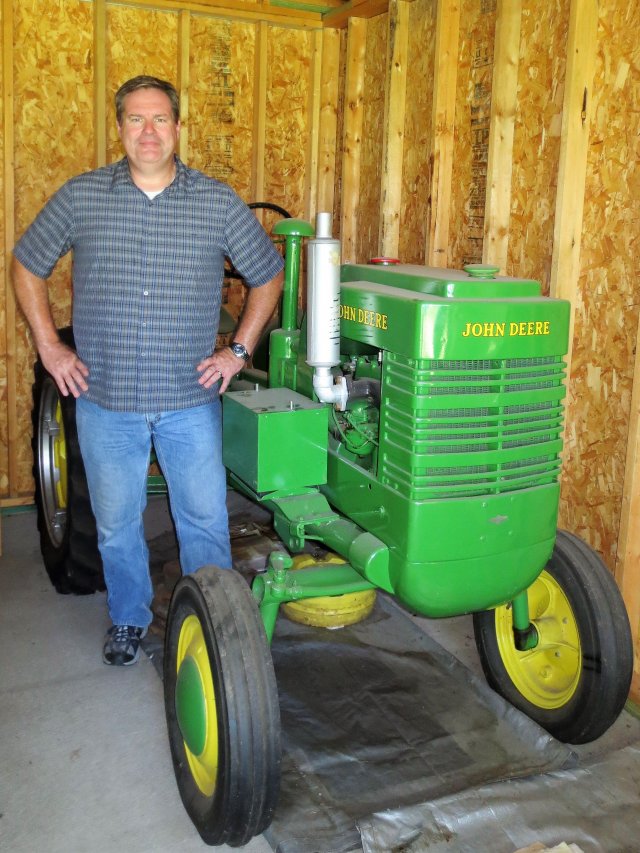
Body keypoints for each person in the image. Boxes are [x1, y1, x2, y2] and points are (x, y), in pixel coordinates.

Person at [12, 75, 284, 666]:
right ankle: (130, 618)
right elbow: (27, 263)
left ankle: (213, 626)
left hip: (189, 398)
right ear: (120, 129)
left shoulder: (214, 202)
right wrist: (50, 348)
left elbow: (268, 272)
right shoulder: (83, 197)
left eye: (160, 119)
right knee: (114, 524)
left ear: (178, 127)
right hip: (106, 398)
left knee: (204, 521)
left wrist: (237, 350)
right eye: (136, 120)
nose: (149, 131)